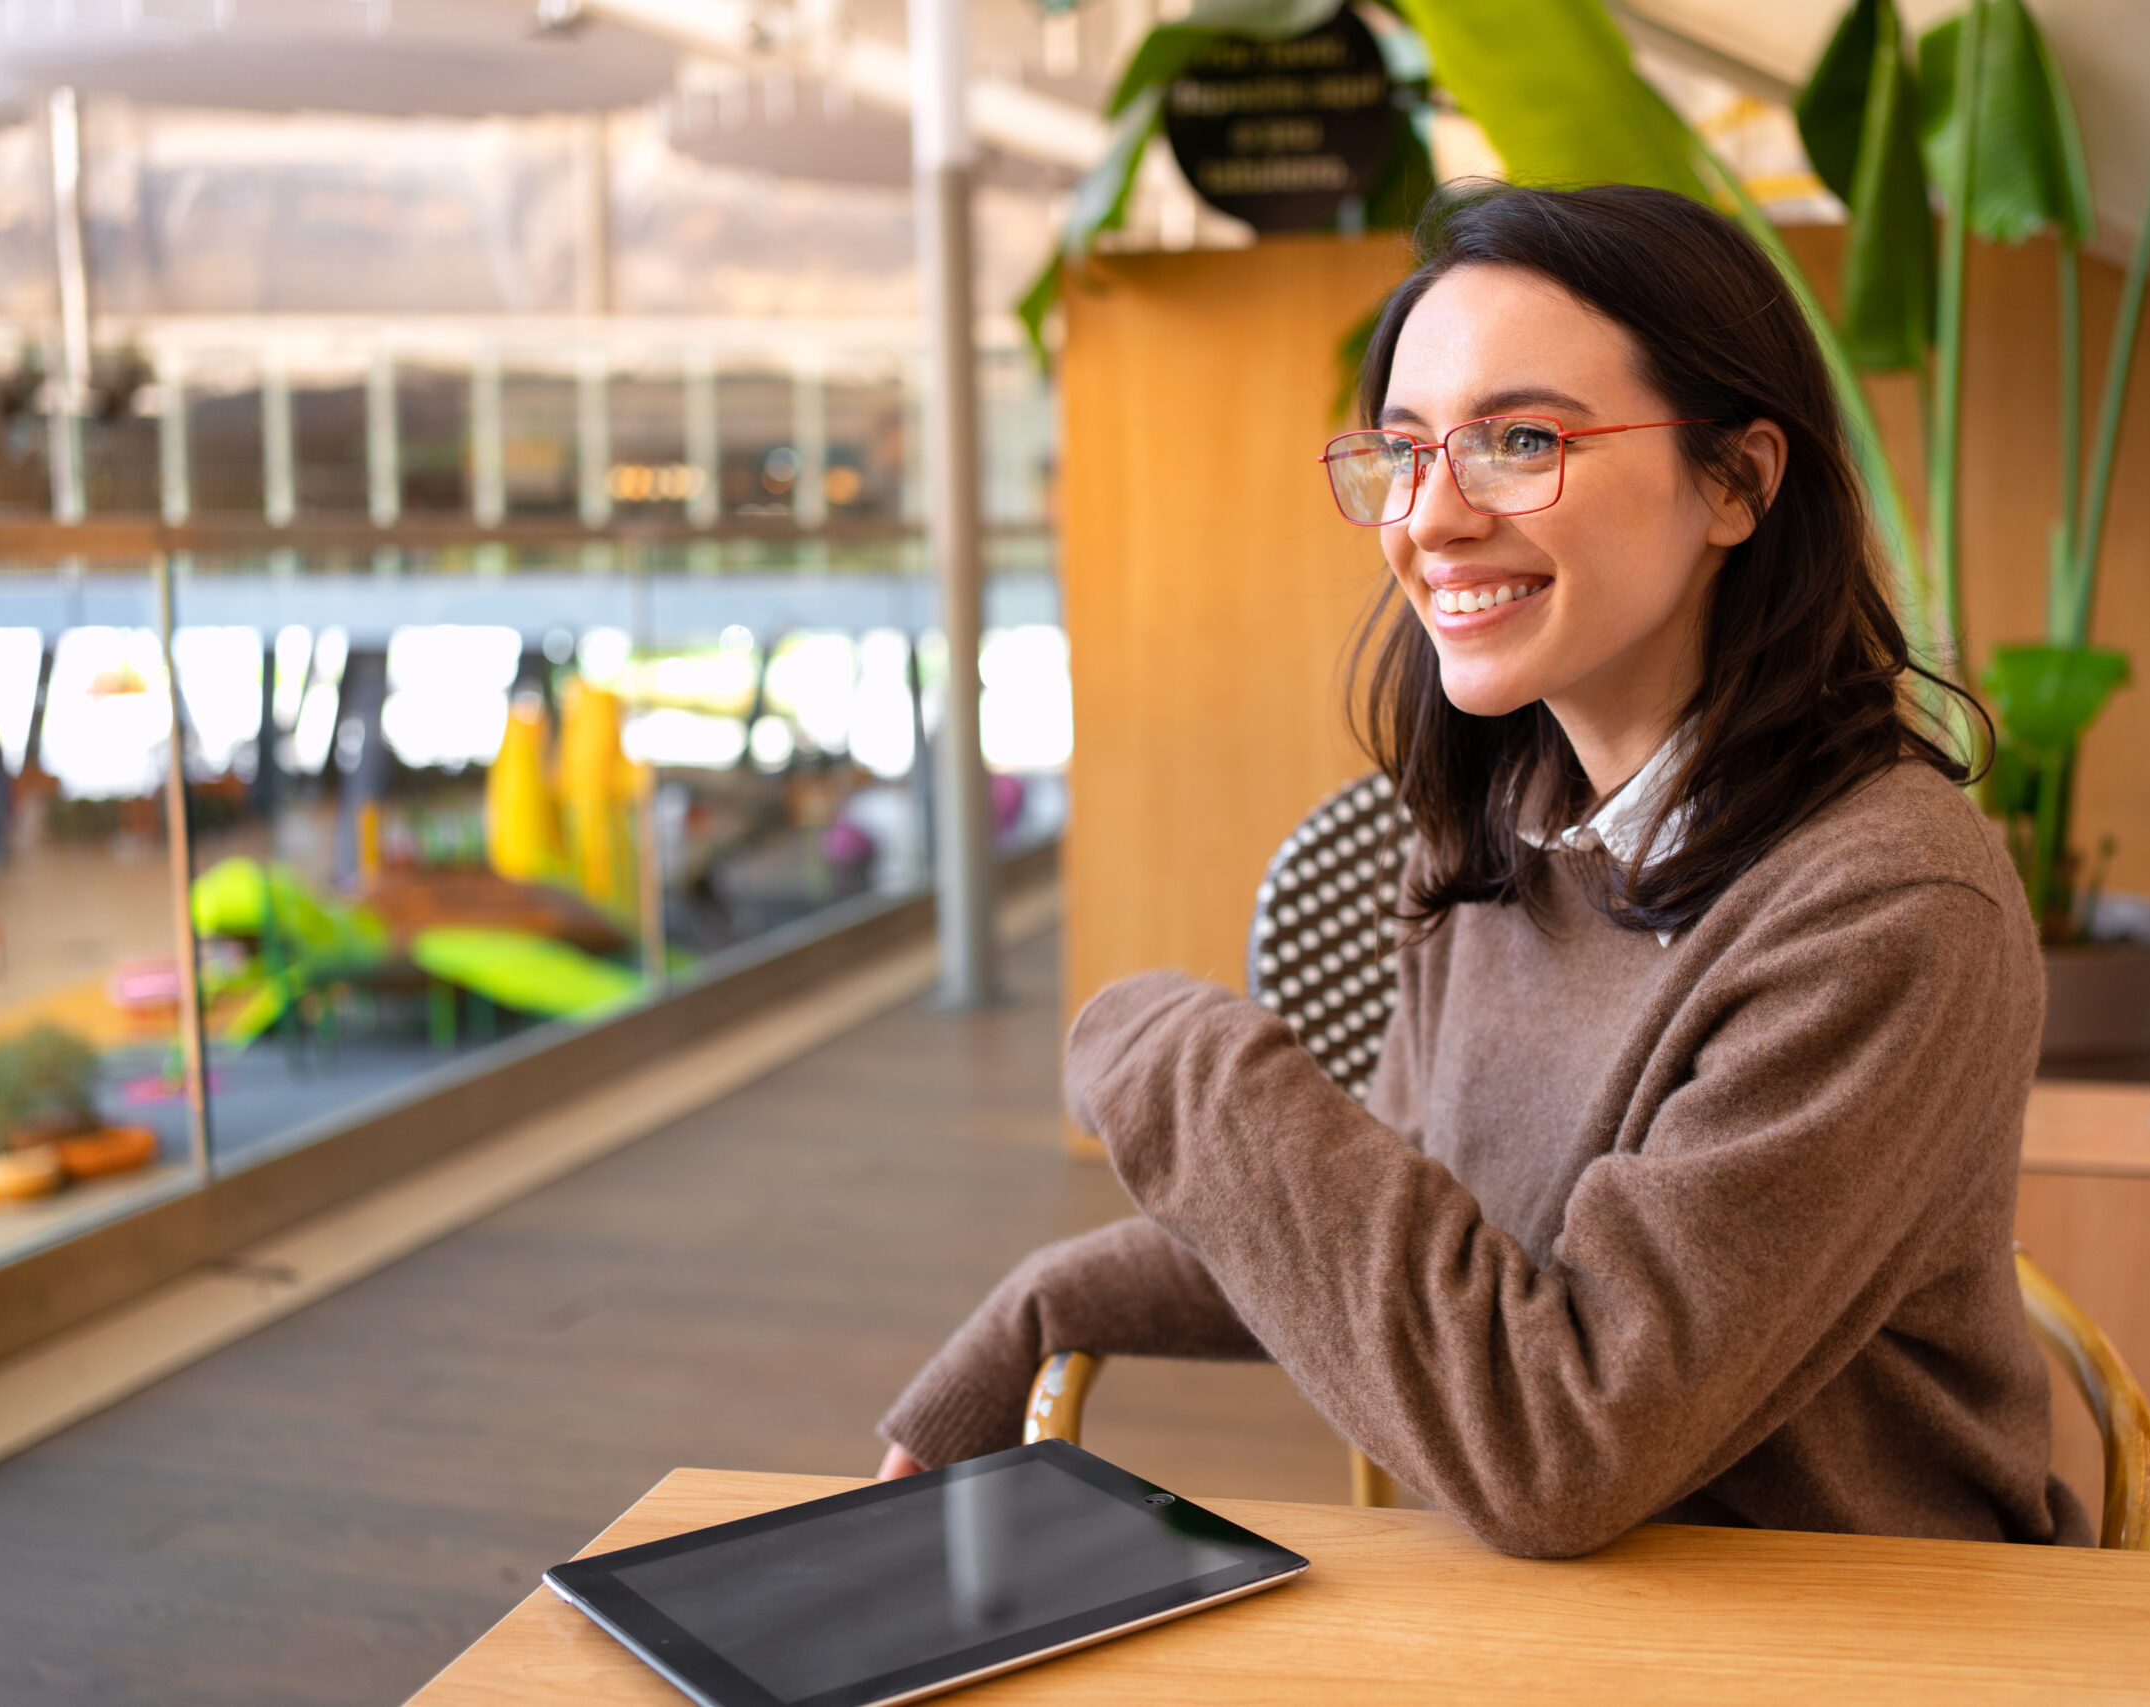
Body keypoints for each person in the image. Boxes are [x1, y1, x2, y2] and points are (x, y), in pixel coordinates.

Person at [876, 182, 2087, 1555]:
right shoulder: (1509, 823)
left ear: (1739, 481)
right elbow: (1402, 1237)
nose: (1430, 521)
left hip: (1863, 1640)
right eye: (1405, 453)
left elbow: (1558, 1444)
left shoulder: (1884, 912)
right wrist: (1045, 1303)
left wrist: (1167, 1055)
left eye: (1520, 440)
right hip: (1579, 1620)